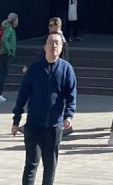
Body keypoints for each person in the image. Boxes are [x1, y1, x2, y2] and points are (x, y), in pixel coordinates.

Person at [11, 32, 76, 185]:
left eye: (57, 43)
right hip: (34, 125)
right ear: (44, 47)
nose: (54, 45)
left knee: (50, 166)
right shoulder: (34, 69)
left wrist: (68, 115)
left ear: (61, 48)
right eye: (51, 42)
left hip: (54, 127)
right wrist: (16, 120)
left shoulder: (66, 69)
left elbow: (71, 95)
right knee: (31, 164)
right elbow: (23, 95)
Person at [0, 12, 19, 101]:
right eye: (17, 19)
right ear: (14, 20)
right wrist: (9, 50)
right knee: (3, 74)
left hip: (1, 54)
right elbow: (4, 39)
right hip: (5, 54)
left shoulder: (7, 28)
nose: (17, 21)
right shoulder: (9, 28)